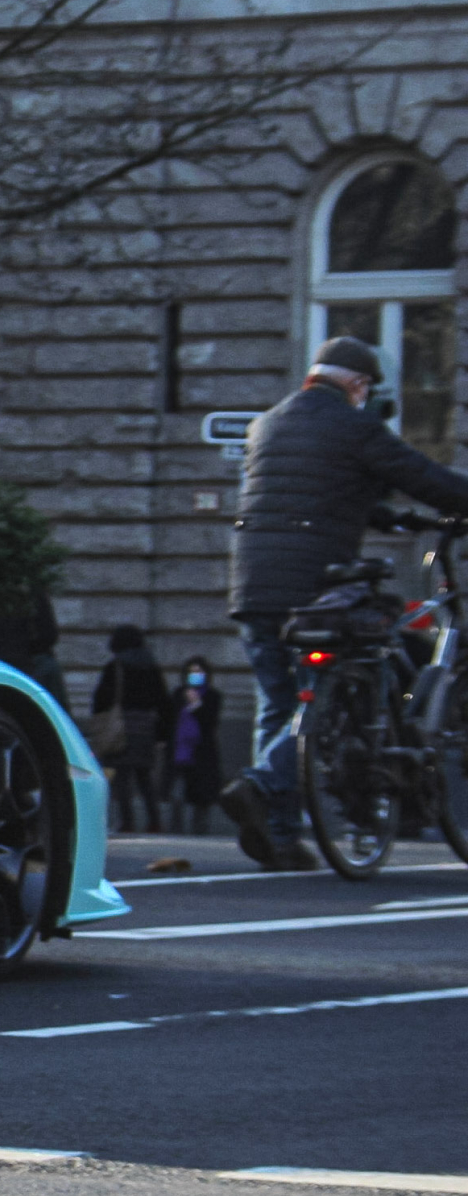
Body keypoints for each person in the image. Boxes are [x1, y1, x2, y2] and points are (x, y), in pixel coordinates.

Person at [222, 335, 468, 869]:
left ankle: (282, 837)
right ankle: (263, 785)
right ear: (357, 385)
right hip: (314, 588)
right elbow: (422, 477)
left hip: (252, 583)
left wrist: (389, 518)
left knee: (278, 703)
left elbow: (320, 490)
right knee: (348, 680)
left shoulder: (267, 423)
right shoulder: (355, 426)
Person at [93, 625, 174, 834]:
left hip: (122, 729)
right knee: (145, 777)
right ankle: (154, 821)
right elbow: (164, 702)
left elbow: (101, 700)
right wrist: (163, 733)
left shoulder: (115, 667)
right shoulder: (151, 667)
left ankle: (127, 821)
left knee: (122, 779)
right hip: (146, 729)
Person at [165, 656, 224, 835]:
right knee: (177, 791)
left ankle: (200, 827)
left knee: (201, 793)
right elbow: (170, 720)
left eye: (199, 672)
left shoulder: (213, 696)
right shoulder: (178, 694)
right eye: (192, 672)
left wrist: (197, 705)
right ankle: (176, 826)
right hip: (180, 749)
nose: (195, 675)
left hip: (201, 751)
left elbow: (210, 723)